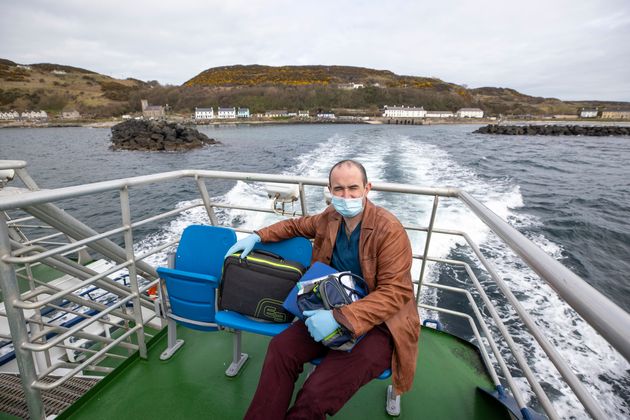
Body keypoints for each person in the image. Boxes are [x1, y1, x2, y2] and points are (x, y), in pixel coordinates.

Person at [225, 160, 420, 420]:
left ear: (367, 188)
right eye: (339, 189)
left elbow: (395, 292)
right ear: (329, 190)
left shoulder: (389, 230)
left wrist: (340, 318)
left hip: (381, 326)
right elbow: (295, 226)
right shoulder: (331, 218)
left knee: (317, 393)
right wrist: (257, 236)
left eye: (353, 188)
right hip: (329, 305)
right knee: (281, 349)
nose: (346, 196)